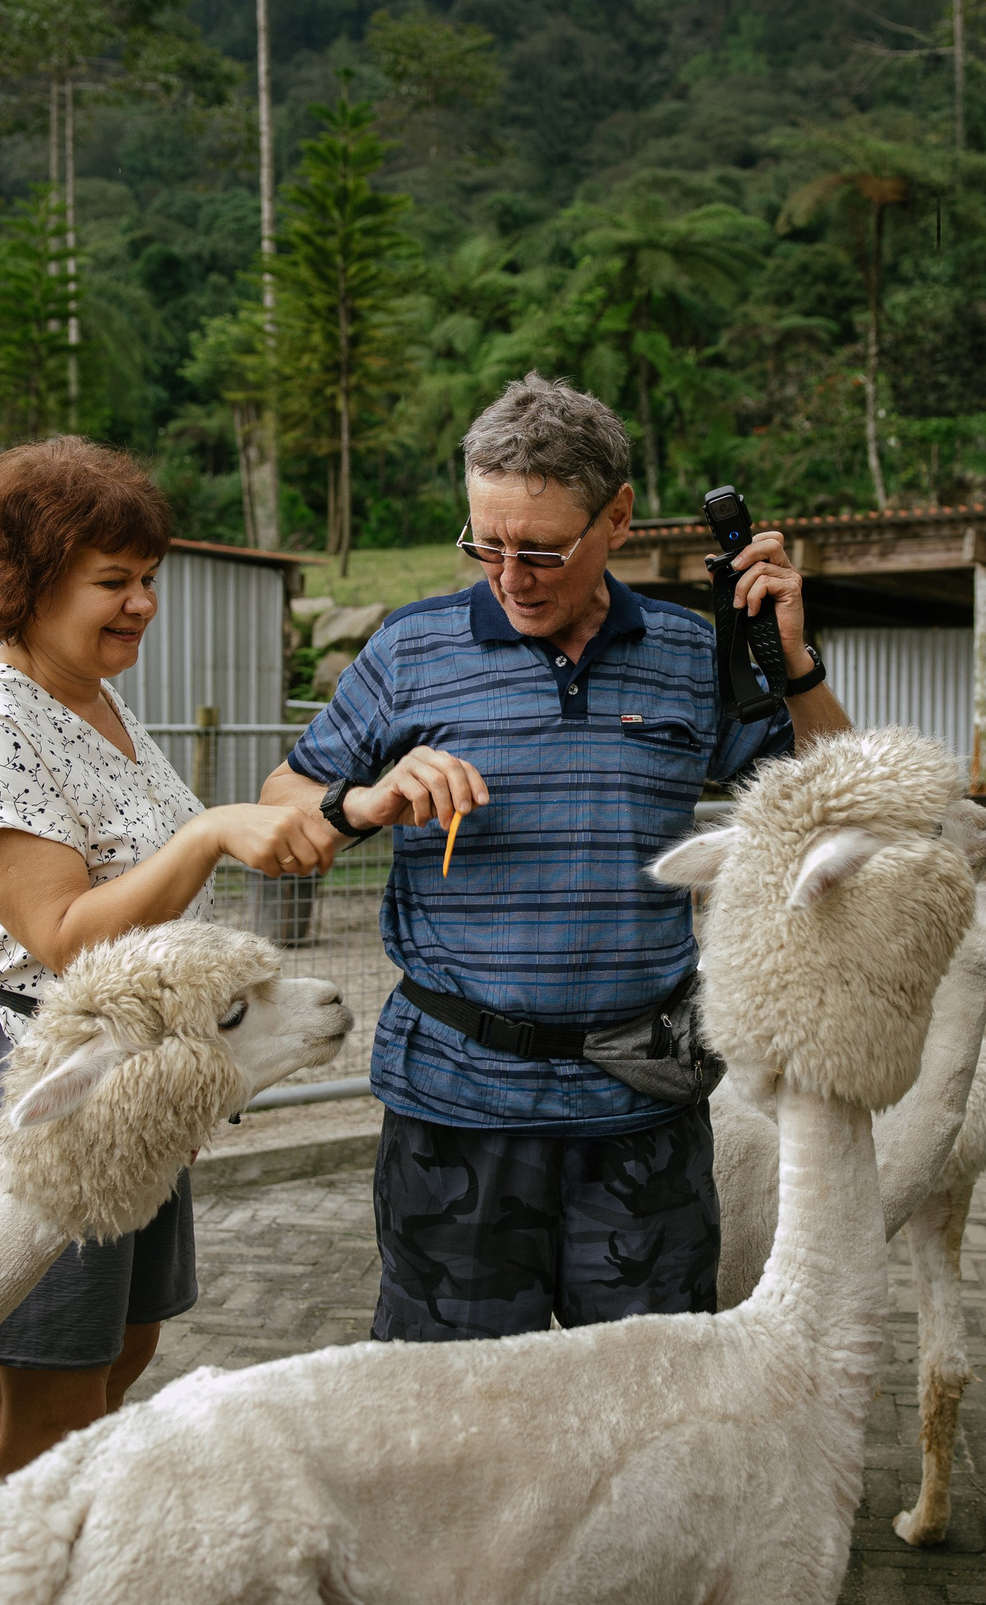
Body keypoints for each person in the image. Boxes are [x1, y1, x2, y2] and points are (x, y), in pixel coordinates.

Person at [261, 372, 851, 1340]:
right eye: (485, 544)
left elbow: (835, 806)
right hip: (454, 1107)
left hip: (641, 1113)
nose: (510, 575)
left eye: (539, 549)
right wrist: (365, 798)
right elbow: (281, 806)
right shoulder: (411, 649)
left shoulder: (689, 654)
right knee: (454, 1404)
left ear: (617, 517)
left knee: (653, 1403)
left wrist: (793, 664)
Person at [0, 437, 344, 1480]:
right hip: (45, 1076)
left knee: (123, 1348)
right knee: (51, 1398)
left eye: (148, 578)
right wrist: (209, 834)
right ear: (27, 582)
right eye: (113, 580)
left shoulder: (95, 702)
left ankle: (63, 1541)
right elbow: (65, 934)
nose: (141, 603)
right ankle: (6, 1556)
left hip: (136, 1082)